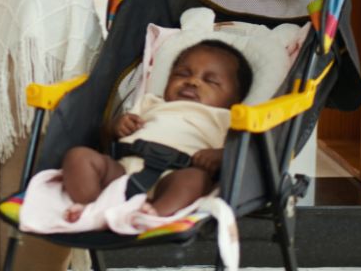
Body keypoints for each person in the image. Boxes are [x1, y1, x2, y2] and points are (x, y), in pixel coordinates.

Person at [60, 40, 253, 220]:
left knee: (196, 180)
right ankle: (92, 207)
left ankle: (152, 216)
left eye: (211, 81)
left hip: (175, 176)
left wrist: (221, 155)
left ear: (234, 99)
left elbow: (244, 156)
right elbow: (105, 140)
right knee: (78, 156)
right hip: (121, 171)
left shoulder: (228, 118)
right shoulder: (150, 102)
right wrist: (116, 127)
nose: (193, 81)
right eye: (182, 74)